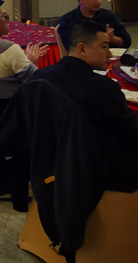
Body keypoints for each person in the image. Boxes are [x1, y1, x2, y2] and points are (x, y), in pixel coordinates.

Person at [31, 19, 138, 190]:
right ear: (82, 49)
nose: (109, 55)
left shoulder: (39, 78)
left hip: (48, 168)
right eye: (104, 47)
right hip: (96, 174)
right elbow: (130, 135)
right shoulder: (104, 88)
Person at [58, 0, 131, 52]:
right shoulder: (68, 19)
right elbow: (69, 46)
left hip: (109, 56)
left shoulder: (109, 15)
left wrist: (113, 39)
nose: (98, 2)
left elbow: (127, 41)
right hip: (82, 57)